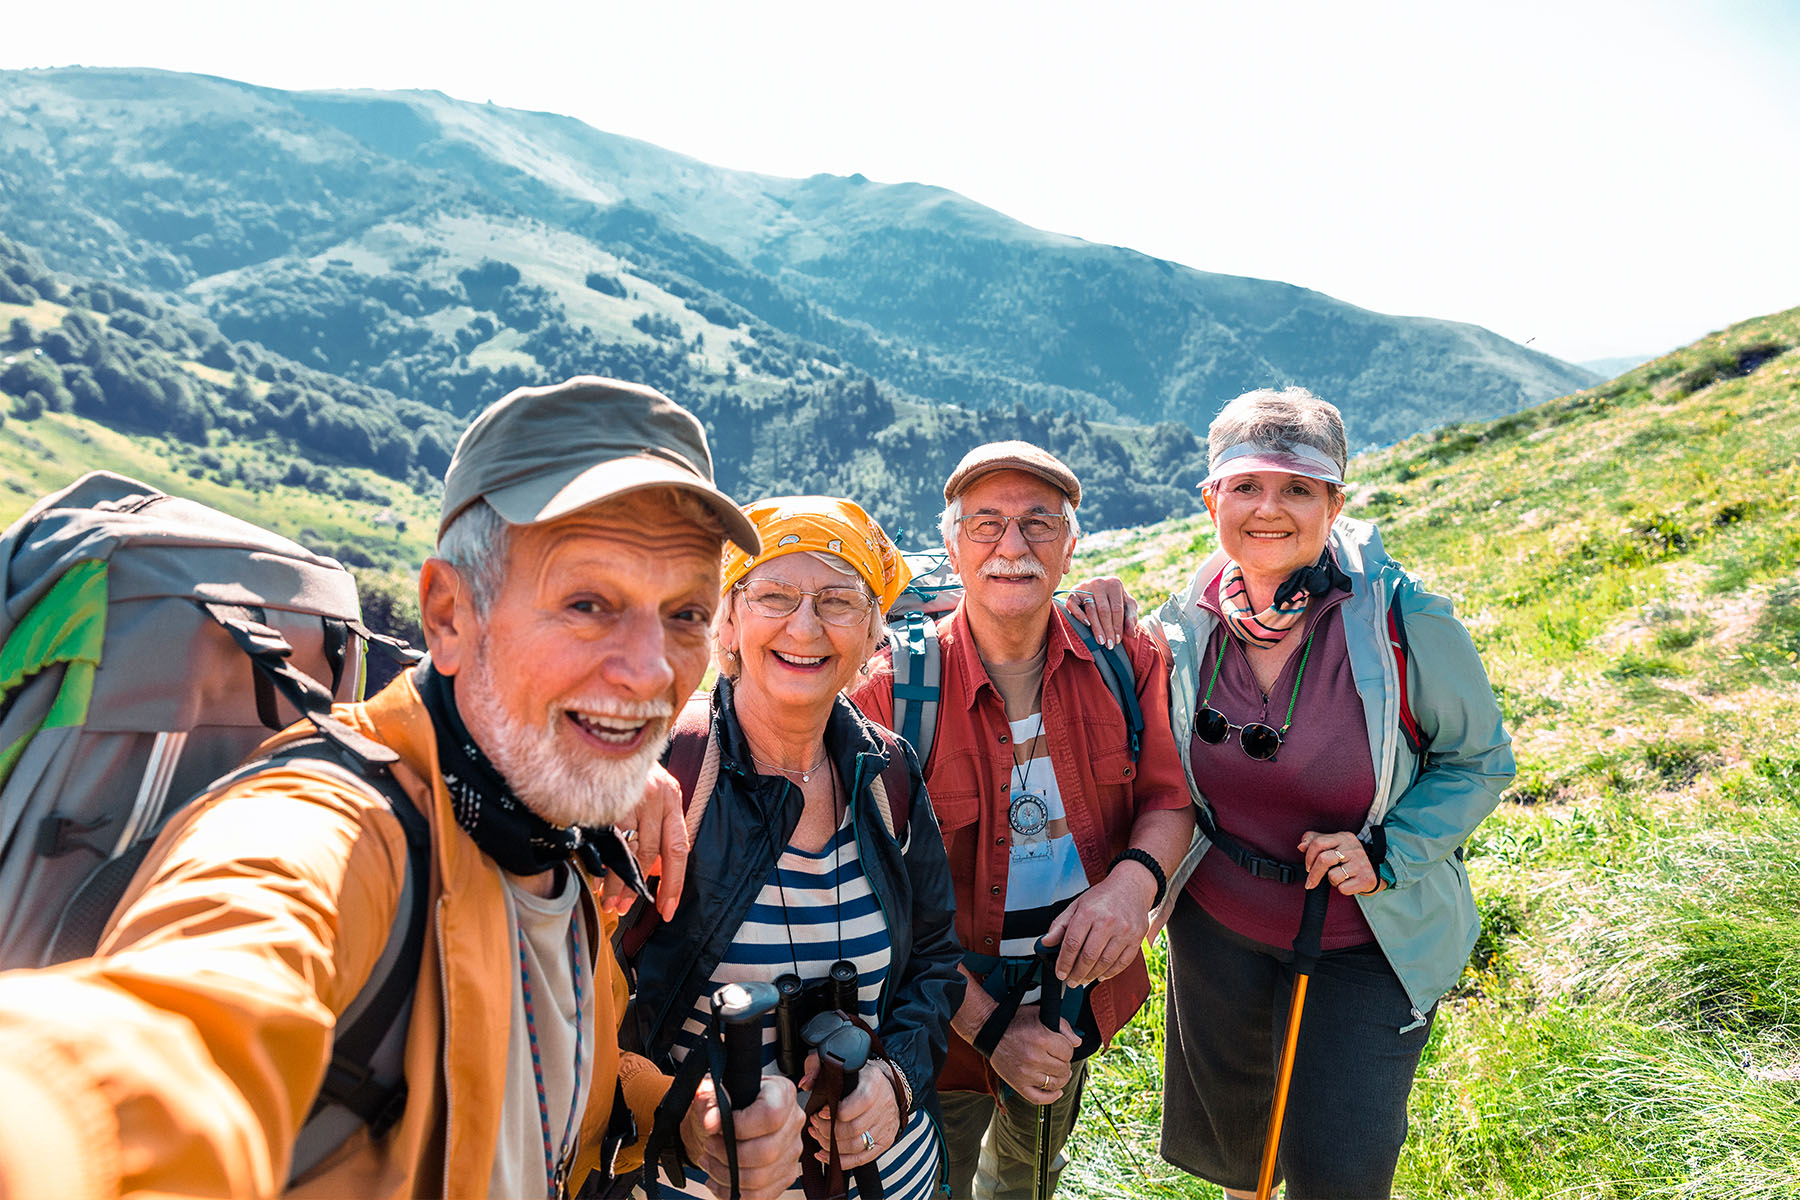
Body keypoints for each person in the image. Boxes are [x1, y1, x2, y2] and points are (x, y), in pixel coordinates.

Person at [0, 377, 806, 1200]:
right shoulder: (324, 835)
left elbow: (546, 1087)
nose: (648, 672)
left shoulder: (550, 832)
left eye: (684, 615)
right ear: (450, 616)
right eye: (589, 603)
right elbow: (170, 1039)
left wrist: (682, 1121)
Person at [1071, 387, 1516, 1199]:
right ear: (1212, 499)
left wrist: (1386, 851)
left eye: (1297, 488)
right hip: (1218, 937)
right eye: (1245, 486)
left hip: (1360, 945)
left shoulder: (1403, 621)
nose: (1268, 509)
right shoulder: (1186, 624)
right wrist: (1096, 603)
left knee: (1339, 1173)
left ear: (1335, 501)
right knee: (1244, 1161)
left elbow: (1480, 761)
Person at [849, 442, 1194, 1200]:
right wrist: (996, 1032)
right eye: (986, 524)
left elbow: (1170, 800)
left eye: (1040, 523)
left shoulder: (1125, 658)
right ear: (951, 546)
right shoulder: (892, 694)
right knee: (918, 1184)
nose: (1012, 546)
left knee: (1029, 1179)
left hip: (1070, 1001)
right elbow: (874, 903)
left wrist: (1130, 888)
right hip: (932, 1022)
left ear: (1071, 548)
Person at [623, 496, 964, 1200]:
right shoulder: (669, 778)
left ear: (874, 632)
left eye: (839, 600)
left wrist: (896, 1081)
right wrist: (683, 1114)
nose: (804, 626)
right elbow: (586, 998)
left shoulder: (886, 771)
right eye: (774, 594)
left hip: (896, 1177)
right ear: (729, 619)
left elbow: (934, 962)